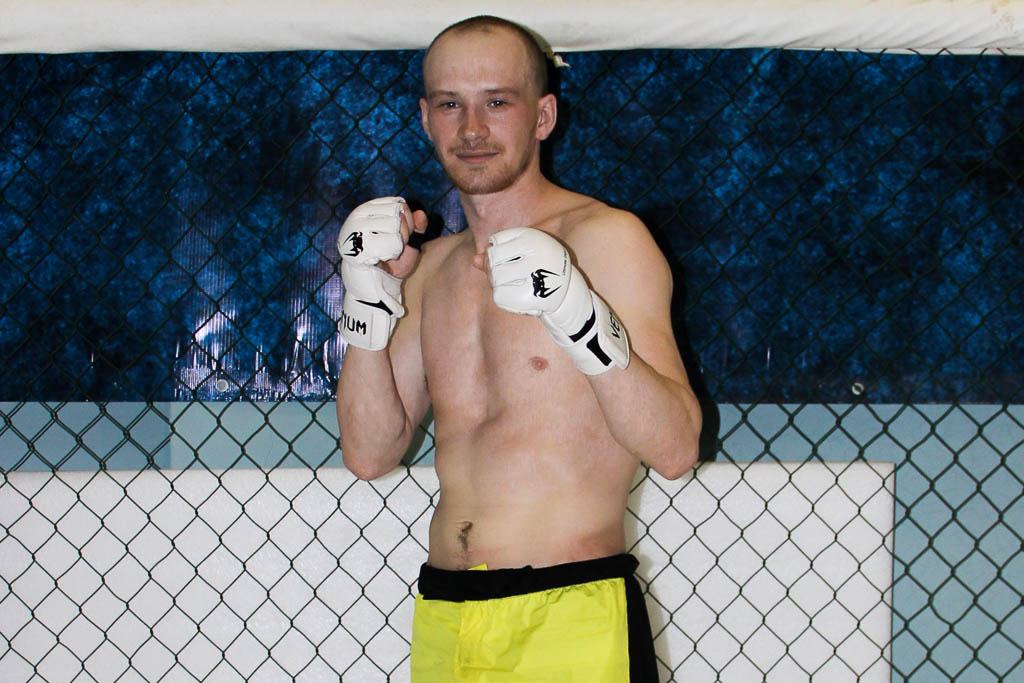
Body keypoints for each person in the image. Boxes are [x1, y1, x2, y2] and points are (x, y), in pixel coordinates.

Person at [336, 15, 702, 682]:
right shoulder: (429, 269)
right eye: (451, 104)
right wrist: (363, 303)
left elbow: (675, 448)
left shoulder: (605, 241)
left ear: (543, 115)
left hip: (569, 613)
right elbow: (369, 452)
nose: (473, 129)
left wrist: (580, 316)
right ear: (425, 118)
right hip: (447, 613)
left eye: (497, 102)